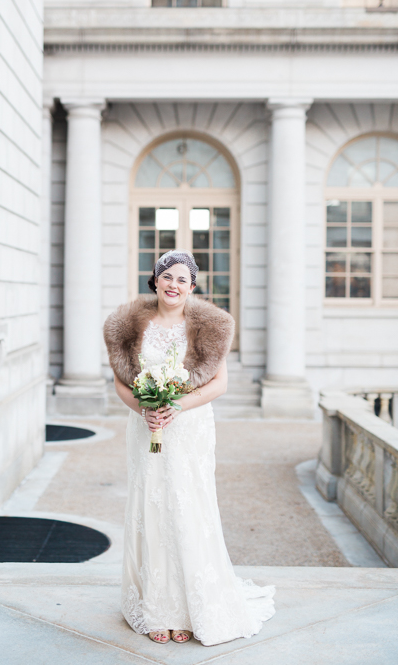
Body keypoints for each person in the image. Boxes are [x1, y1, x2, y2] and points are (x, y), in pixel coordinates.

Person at [103, 249, 275, 646]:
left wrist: (176, 406)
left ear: (192, 286)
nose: (174, 285)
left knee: (187, 506)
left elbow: (218, 384)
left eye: (182, 279)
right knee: (151, 505)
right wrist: (144, 410)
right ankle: (157, 607)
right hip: (146, 427)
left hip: (189, 427)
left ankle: (187, 608)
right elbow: (121, 383)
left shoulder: (207, 327)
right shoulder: (131, 326)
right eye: (168, 277)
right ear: (155, 280)